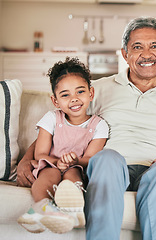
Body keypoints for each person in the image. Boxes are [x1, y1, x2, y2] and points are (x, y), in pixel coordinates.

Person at [16, 17, 156, 240]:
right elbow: (61, 124)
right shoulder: (97, 89)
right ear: (125, 53)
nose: (146, 54)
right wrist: (25, 160)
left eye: (154, 46)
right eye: (137, 47)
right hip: (110, 168)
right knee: (108, 157)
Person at [17, 57, 109, 233]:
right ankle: (42, 208)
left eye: (80, 92)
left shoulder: (99, 125)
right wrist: (57, 162)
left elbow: (90, 159)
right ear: (55, 101)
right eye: (65, 95)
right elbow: (40, 154)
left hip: (76, 167)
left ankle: (73, 210)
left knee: (73, 175)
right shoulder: (51, 118)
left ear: (91, 93)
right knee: (50, 173)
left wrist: (75, 160)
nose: (74, 99)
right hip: (50, 164)